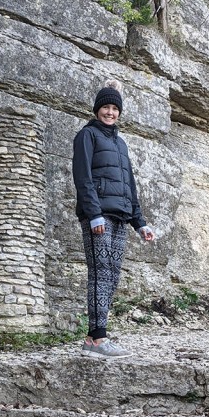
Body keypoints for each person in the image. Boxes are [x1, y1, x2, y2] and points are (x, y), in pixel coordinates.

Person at [72, 80, 155, 357]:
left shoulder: (120, 143)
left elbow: (128, 184)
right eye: (106, 107)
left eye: (114, 108)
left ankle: (93, 338)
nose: (110, 112)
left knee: (112, 275)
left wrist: (140, 222)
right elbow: (83, 178)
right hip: (98, 218)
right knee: (100, 273)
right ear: (97, 110)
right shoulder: (87, 136)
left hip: (120, 217)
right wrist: (94, 214)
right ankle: (98, 340)